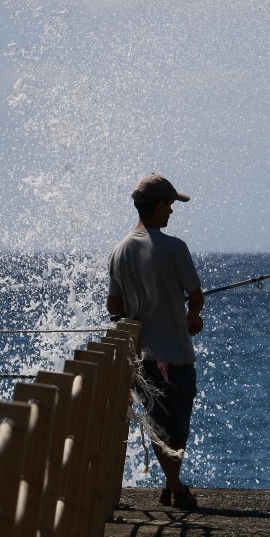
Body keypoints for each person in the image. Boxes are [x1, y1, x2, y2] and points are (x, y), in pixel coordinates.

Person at [107, 174, 204, 509]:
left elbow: (114, 307)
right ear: (159, 205)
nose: (172, 213)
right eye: (170, 206)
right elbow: (196, 296)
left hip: (142, 357)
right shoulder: (175, 248)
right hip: (176, 354)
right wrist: (191, 317)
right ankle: (177, 487)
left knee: (158, 423)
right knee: (177, 427)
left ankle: (171, 485)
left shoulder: (119, 251)